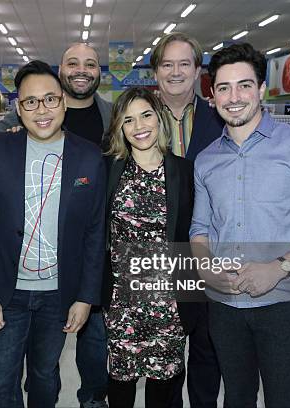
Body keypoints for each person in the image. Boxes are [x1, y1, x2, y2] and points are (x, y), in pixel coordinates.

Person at [190, 43, 290, 407]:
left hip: (284, 306)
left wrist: (279, 268)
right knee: (237, 397)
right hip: (224, 306)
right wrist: (204, 266)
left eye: (244, 85)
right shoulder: (206, 160)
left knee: (282, 399)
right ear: (212, 96)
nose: (234, 97)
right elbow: (199, 227)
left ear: (261, 90)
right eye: (224, 88)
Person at [0, 60, 106, 408]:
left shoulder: (89, 157)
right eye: (31, 102)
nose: (41, 110)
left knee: (45, 376)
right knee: (3, 381)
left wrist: (85, 297)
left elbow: (94, 233)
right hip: (7, 293)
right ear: (19, 107)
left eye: (49, 100)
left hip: (58, 296)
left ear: (63, 102)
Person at [102, 87, 192, 407]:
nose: (139, 126)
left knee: (162, 389)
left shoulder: (183, 171)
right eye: (128, 120)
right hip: (121, 302)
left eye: (146, 115)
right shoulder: (108, 170)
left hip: (169, 305)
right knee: (121, 385)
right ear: (120, 129)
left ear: (159, 118)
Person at [150, 32, 224, 407]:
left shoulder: (222, 119)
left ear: (198, 71)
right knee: (164, 353)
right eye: (167, 64)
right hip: (157, 255)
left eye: (184, 63)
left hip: (210, 249)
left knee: (208, 350)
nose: (175, 72)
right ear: (156, 71)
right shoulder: (137, 118)